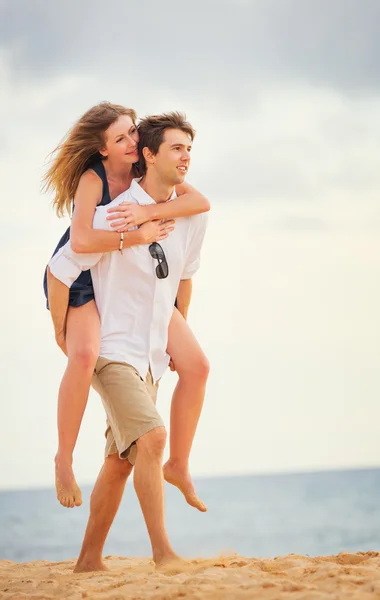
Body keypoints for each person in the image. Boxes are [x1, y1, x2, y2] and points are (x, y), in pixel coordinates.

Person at [48, 111, 207, 571]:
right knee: (153, 438)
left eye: (189, 150)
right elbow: (62, 267)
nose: (186, 157)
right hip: (111, 350)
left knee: (120, 461)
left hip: (151, 353)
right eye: (176, 148)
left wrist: (174, 339)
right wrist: (61, 331)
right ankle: (163, 554)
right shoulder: (113, 210)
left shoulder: (188, 214)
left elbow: (184, 278)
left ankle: (88, 561)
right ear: (150, 156)